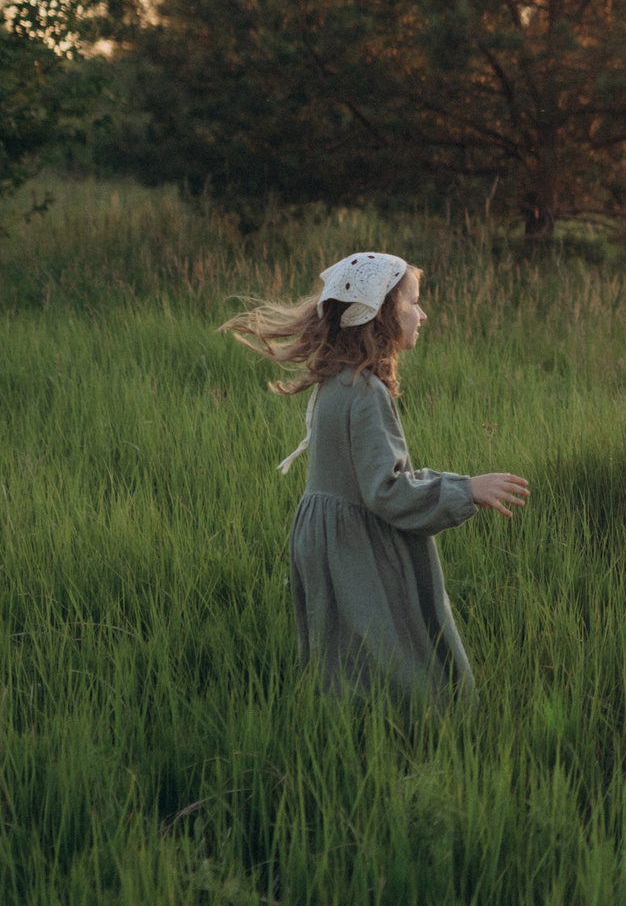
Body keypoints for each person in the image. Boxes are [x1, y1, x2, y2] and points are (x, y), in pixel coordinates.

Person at [223, 252, 528, 702]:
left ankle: (349, 726)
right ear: (382, 312)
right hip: (355, 546)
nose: (422, 314)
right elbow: (388, 491)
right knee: (403, 664)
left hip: (329, 537)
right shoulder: (366, 393)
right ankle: (428, 725)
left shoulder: (338, 380)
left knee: (344, 661)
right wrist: (466, 490)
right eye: (414, 303)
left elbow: (376, 478)